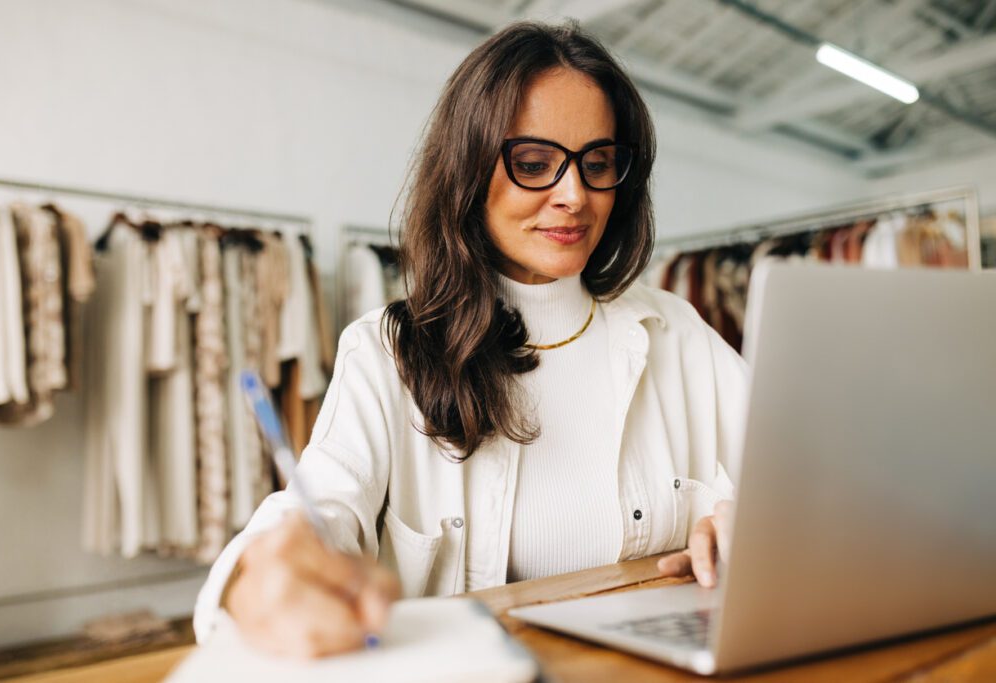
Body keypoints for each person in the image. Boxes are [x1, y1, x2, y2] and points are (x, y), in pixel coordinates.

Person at [193, 20, 748, 659]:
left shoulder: (677, 332)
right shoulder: (385, 352)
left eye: (597, 164)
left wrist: (757, 524)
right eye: (535, 164)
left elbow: (801, 479)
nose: (575, 195)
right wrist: (266, 577)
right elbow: (320, 510)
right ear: (466, 170)